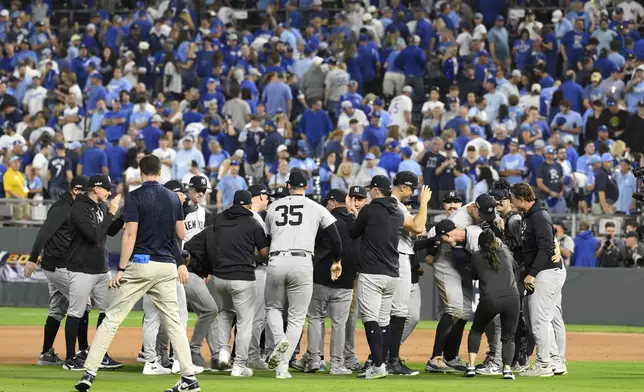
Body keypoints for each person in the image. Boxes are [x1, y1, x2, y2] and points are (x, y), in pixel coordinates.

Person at [73, 155, 202, 392]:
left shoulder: (135, 196)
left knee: (112, 318)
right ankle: (189, 378)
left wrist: (121, 269)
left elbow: (130, 235)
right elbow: (181, 234)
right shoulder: (173, 197)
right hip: (166, 267)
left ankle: (88, 373)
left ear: (141, 172)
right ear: (160, 172)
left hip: (141, 264)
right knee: (174, 323)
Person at [264, 170, 342, 379]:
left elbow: (266, 238)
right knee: (297, 318)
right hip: (302, 261)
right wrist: (336, 260)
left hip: (276, 259)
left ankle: (279, 339)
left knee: (272, 308)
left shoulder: (273, 207)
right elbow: (336, 238)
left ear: (289, 186)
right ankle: (282, 367)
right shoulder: (316, 207)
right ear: (306, 187)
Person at [422, 194, 497, 373]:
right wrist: (430, 252)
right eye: (482, 216)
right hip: (447, 261)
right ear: (473, 208)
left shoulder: (481, 212)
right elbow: (434, 235)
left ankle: (451, 357)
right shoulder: (458, 219)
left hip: (463, 264)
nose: (484, 220)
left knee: (464, 312)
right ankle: (435, 359)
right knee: (454, 309)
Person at [24, 176, 89, 366]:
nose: (88, 196)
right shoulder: (62, 208)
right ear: (76, 191)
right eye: (85, 192)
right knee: (83, 302)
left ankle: (46, 353)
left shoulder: (73, 207)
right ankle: (83, 350)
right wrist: (32, 259)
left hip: (59, 264)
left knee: (57, 309)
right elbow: (44, 232)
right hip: (59, 265)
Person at [344, 175, 403, 379]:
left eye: (371, 190)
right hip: (393, 273)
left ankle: (378, 366)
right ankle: (382, 364)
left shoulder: (369, 210)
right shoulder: (398, 213)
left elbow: (353, 233)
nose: (369, 192)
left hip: (372, 272)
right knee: (383, 320)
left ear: (377, 190)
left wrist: (353, 213)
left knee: (370, 320)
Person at [64, 175, 124, 372]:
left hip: (100, 268)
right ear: (96, 188)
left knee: (107, 310)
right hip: (81, 268)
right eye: (107, 188)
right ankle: (70, 358)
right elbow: (94, 236)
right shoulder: (80, 208)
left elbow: (111, 230)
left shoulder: (99, 206)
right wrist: (111, 213)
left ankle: (99, 353)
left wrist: (123, 214)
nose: (109, 192)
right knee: (76, 312)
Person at [510, 182, 567, 377]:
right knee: (541, 318)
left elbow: (546, 248)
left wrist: (532, 273)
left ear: (522, 199)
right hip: (543, 270)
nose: (511, 202)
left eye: (513, 199)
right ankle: (555, 362)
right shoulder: (531, 215)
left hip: (546, 271)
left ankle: (544, 364)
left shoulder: (539, 216)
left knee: (540, 319)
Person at [210, 190, 269, 377]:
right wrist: (252, 254)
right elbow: (265, 253)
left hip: (220, 278)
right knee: (244, 321)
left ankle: (223, 352)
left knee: (226, 314)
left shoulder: (219, 219)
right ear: (249, 205)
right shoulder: (253, 223)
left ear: (233, 203)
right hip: (243, 277)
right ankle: (239, 365)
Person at [300, 189, 359, 375]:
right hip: (346, 280)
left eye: (328, 202)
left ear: (333, 202)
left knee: (315, 318)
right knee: (339, 324)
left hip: (320, 277)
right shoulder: (355, 223)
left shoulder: (322, 221)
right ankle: (336, 364)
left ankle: (315, 360)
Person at [381, 172, 431, 375]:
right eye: (411, 188)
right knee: (398, 311)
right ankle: (391, 360)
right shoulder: (396, 206)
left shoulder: (392, 205)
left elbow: (418, 229)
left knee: (393, 312)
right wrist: (424, 203)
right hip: (397, 257)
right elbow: (419, 227)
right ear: (402, 187)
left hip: (394, 257)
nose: (413, 192)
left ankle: (385, 357)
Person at [463, 228, 519, 380]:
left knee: (476, 330)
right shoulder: (505, 253)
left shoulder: (476, 256)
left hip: (489, 299)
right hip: (512, 298)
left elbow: (473, 276)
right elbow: (514, 269)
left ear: (480, 244)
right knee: (509, 337)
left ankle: (471, 366)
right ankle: (507, 369)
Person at [342, 185, 369, 371]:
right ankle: (316, 356)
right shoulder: (337, 218)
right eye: (353, 198)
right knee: (318, 315)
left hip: (360, 273)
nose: (356, 202)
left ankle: (350, 356)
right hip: (340, 273)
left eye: (360, 199)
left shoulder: (370, 218)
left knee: (354, 315)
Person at [247, 184, 271, 370]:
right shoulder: (254, 219)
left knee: (243, 317)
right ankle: (252, 356)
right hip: (257, 271)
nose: (268, 200)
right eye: (266, 196)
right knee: (258, 317)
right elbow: (259, 251)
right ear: (260, 197)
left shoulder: (247, 216)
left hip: (244, 272)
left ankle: (239, 355)